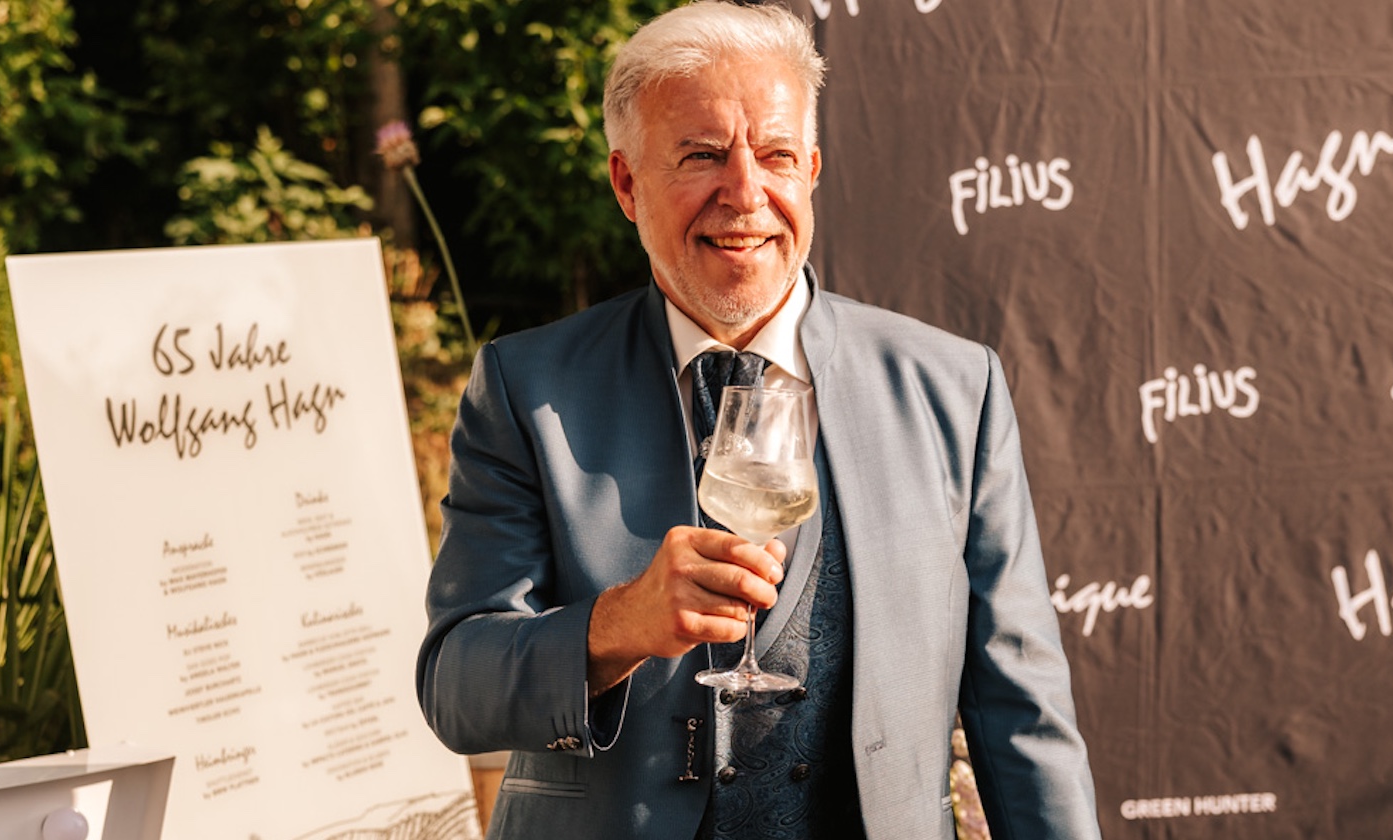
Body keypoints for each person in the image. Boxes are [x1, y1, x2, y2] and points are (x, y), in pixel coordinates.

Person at [416, 2, 1101, 838]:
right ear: (626, 184)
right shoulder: (527, 389)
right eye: (702, 155)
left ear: (810, 169)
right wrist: (617, 627)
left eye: (775, 155)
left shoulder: (954, 388)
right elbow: (456, 688)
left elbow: (1023, 709)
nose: (745, 194)